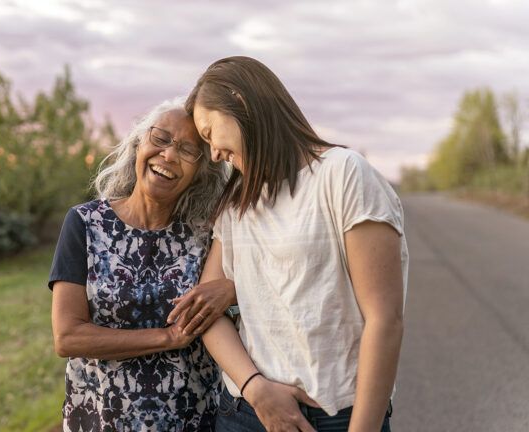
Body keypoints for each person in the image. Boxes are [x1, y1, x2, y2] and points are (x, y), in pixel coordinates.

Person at [168, 56, 408, 432]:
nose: (213, 153)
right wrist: (255, 388)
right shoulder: (236, 203)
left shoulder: (343, 175)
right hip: (248, 412)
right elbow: (206, 312)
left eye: (210, 131)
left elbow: (385, 320)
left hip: (338, 416)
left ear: (240, 102)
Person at [48, 98, 231, 431]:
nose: (169, 155)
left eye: (188, 151)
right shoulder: (85, 223)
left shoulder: (210, 233)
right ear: (138, 144)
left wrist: (231, 289)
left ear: (202, 171)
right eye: (160, 139)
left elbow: (254, 284)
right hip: (102, 419)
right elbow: (68, 337)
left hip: (194, 419)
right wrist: (167, 337)